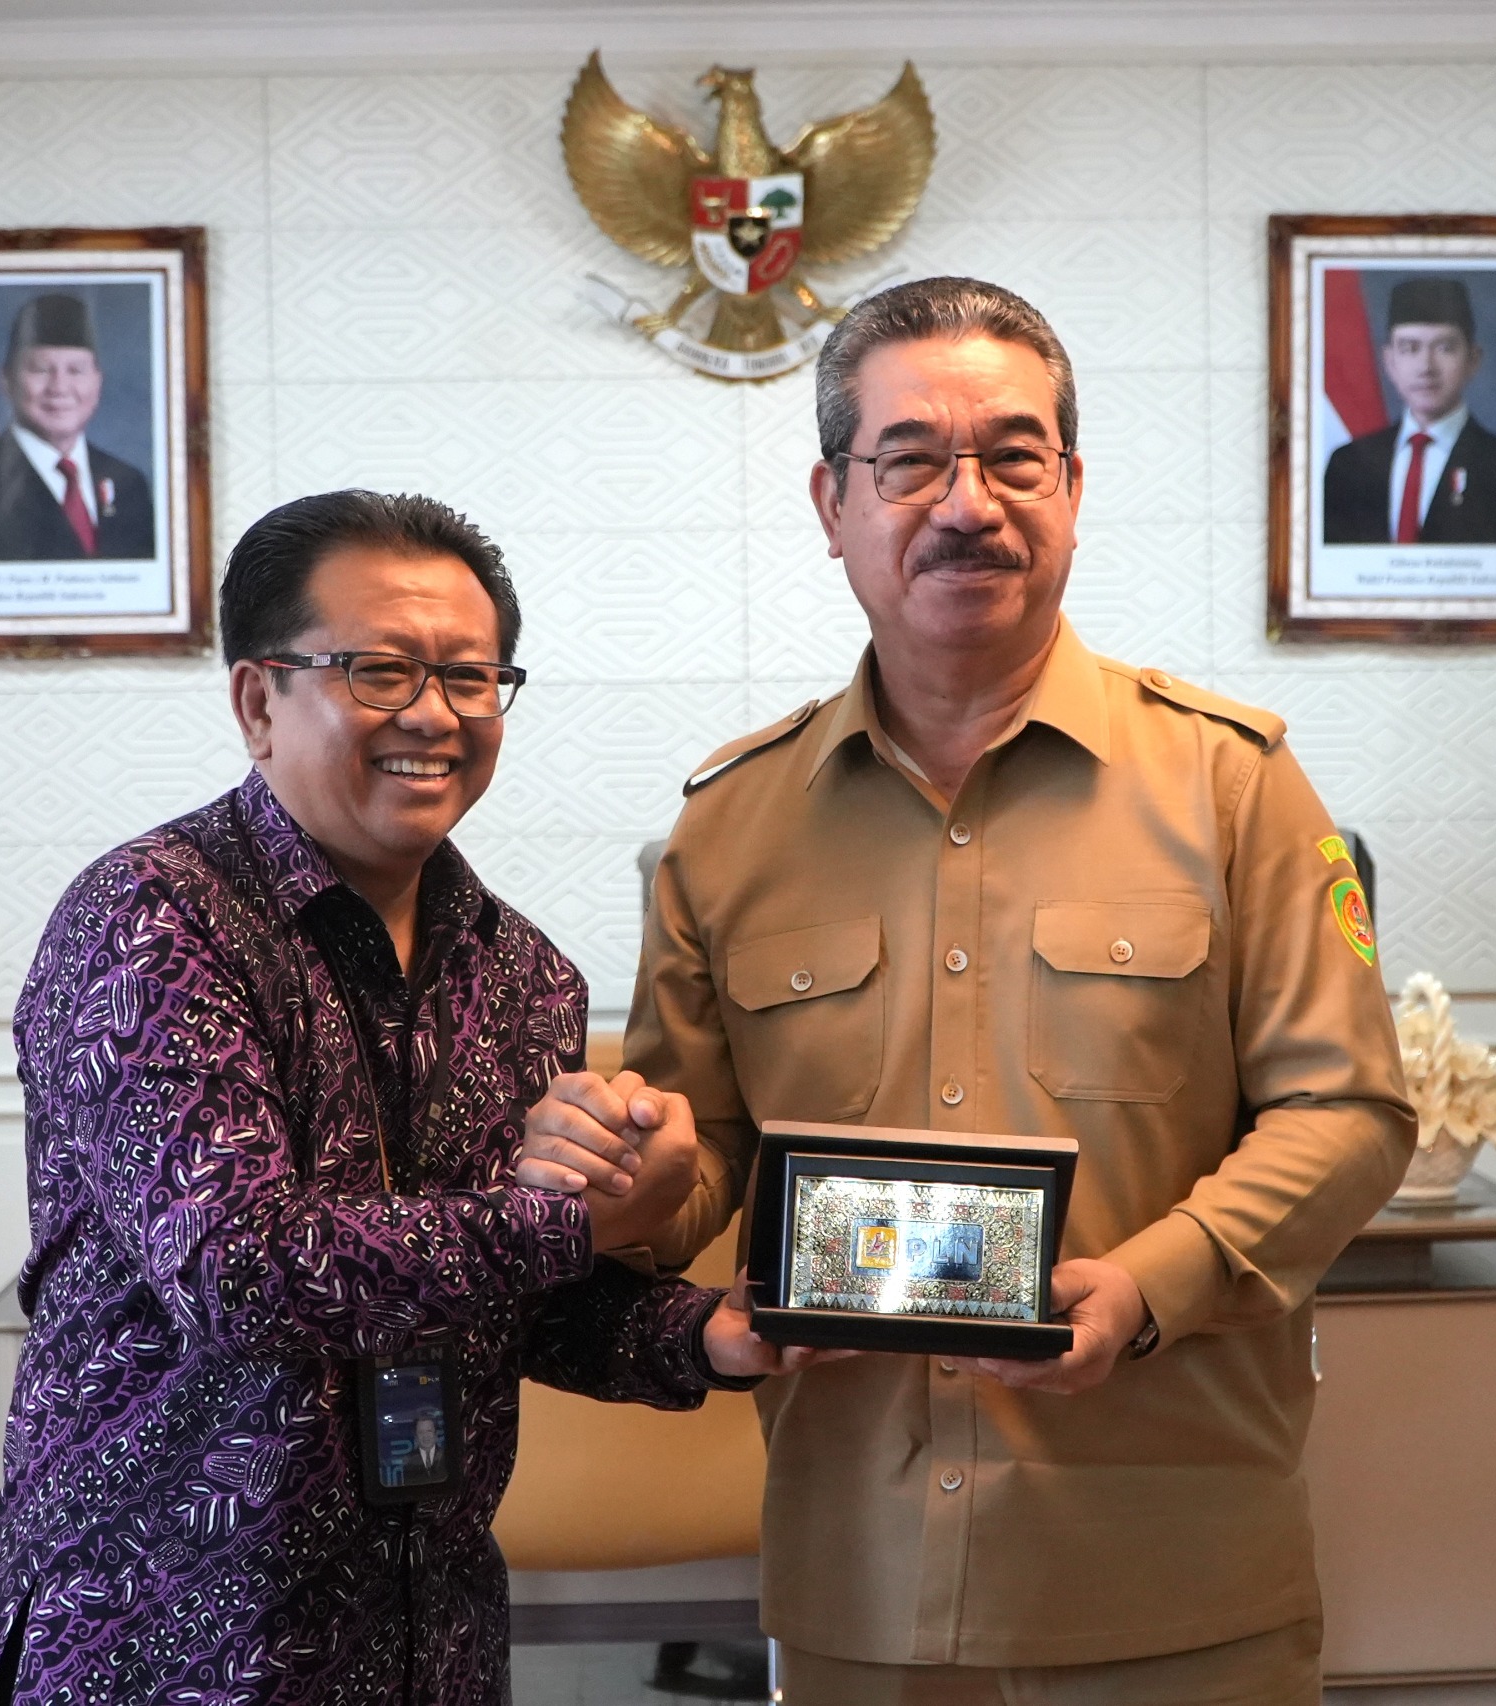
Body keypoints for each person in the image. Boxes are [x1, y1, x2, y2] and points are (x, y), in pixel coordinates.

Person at [524, 278, 1416, 1703]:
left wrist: (1147, 1285)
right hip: (859, 1579)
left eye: (1013, 457)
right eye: (909, 461)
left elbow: (1351, 1111)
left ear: (1072, 489)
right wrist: (633, 1178)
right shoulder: (730, 825)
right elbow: (701, 1168)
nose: (967, 503)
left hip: (1169, 1571)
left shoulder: (1232, 785)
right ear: (832, 502)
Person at [0, 490, 791, 1706]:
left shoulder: (522, 973)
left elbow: (502, 1298)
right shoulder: (153, 920)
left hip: (427, 1637)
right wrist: (564, 1223)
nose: (434, 714)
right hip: (160, 1635)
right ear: (258, 701)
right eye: (380, 670)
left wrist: (705, 1334)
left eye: (470, 676)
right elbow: (236, 1267)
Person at [0, 292, 157, 562]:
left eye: (76, 370)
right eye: (40, 369)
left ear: (97, 382)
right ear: (6, 380)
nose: (59, 387)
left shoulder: (128, 485)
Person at [1322, 276, 1496, 545]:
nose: (1426, 367)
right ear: (1389, 361)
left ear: (1473, 360)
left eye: (1444, 348)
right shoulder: (1347, 465)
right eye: (1409, 348)